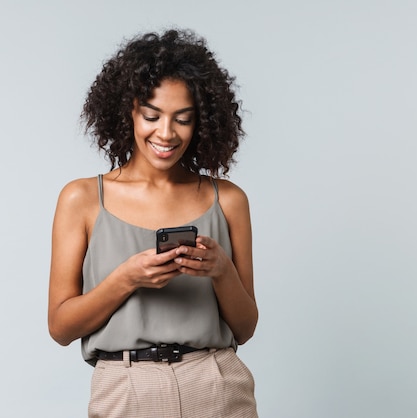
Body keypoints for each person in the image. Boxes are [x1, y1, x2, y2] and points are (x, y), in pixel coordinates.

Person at [48, 28, 258, 418]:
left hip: (217, 383)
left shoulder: (228, 200)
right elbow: (60, 328)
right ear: (127, 110)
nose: (166, 133)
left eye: (183, 119)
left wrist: (221, 270)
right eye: (151, 115)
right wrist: (127, 278)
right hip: (126, 387)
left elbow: (245, 328)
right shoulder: (82, 198)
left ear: (201, 123)